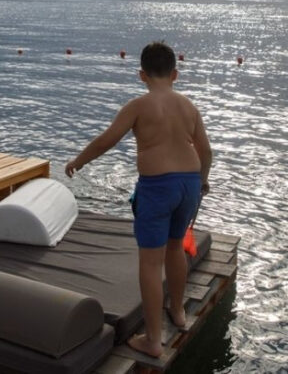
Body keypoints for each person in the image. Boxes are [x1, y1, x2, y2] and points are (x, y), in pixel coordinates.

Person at [65, 41, 211, 359]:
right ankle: (179, 312)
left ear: (141, 75)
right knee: (176, 247)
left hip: (157, 187)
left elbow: (108, 139)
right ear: (175, 74)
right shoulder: (189, 106)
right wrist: (202, 182)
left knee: (150, 261)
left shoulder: (137, 106)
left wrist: (79, 160)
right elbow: (206, 151)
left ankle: (154, 340)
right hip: (188, 183)